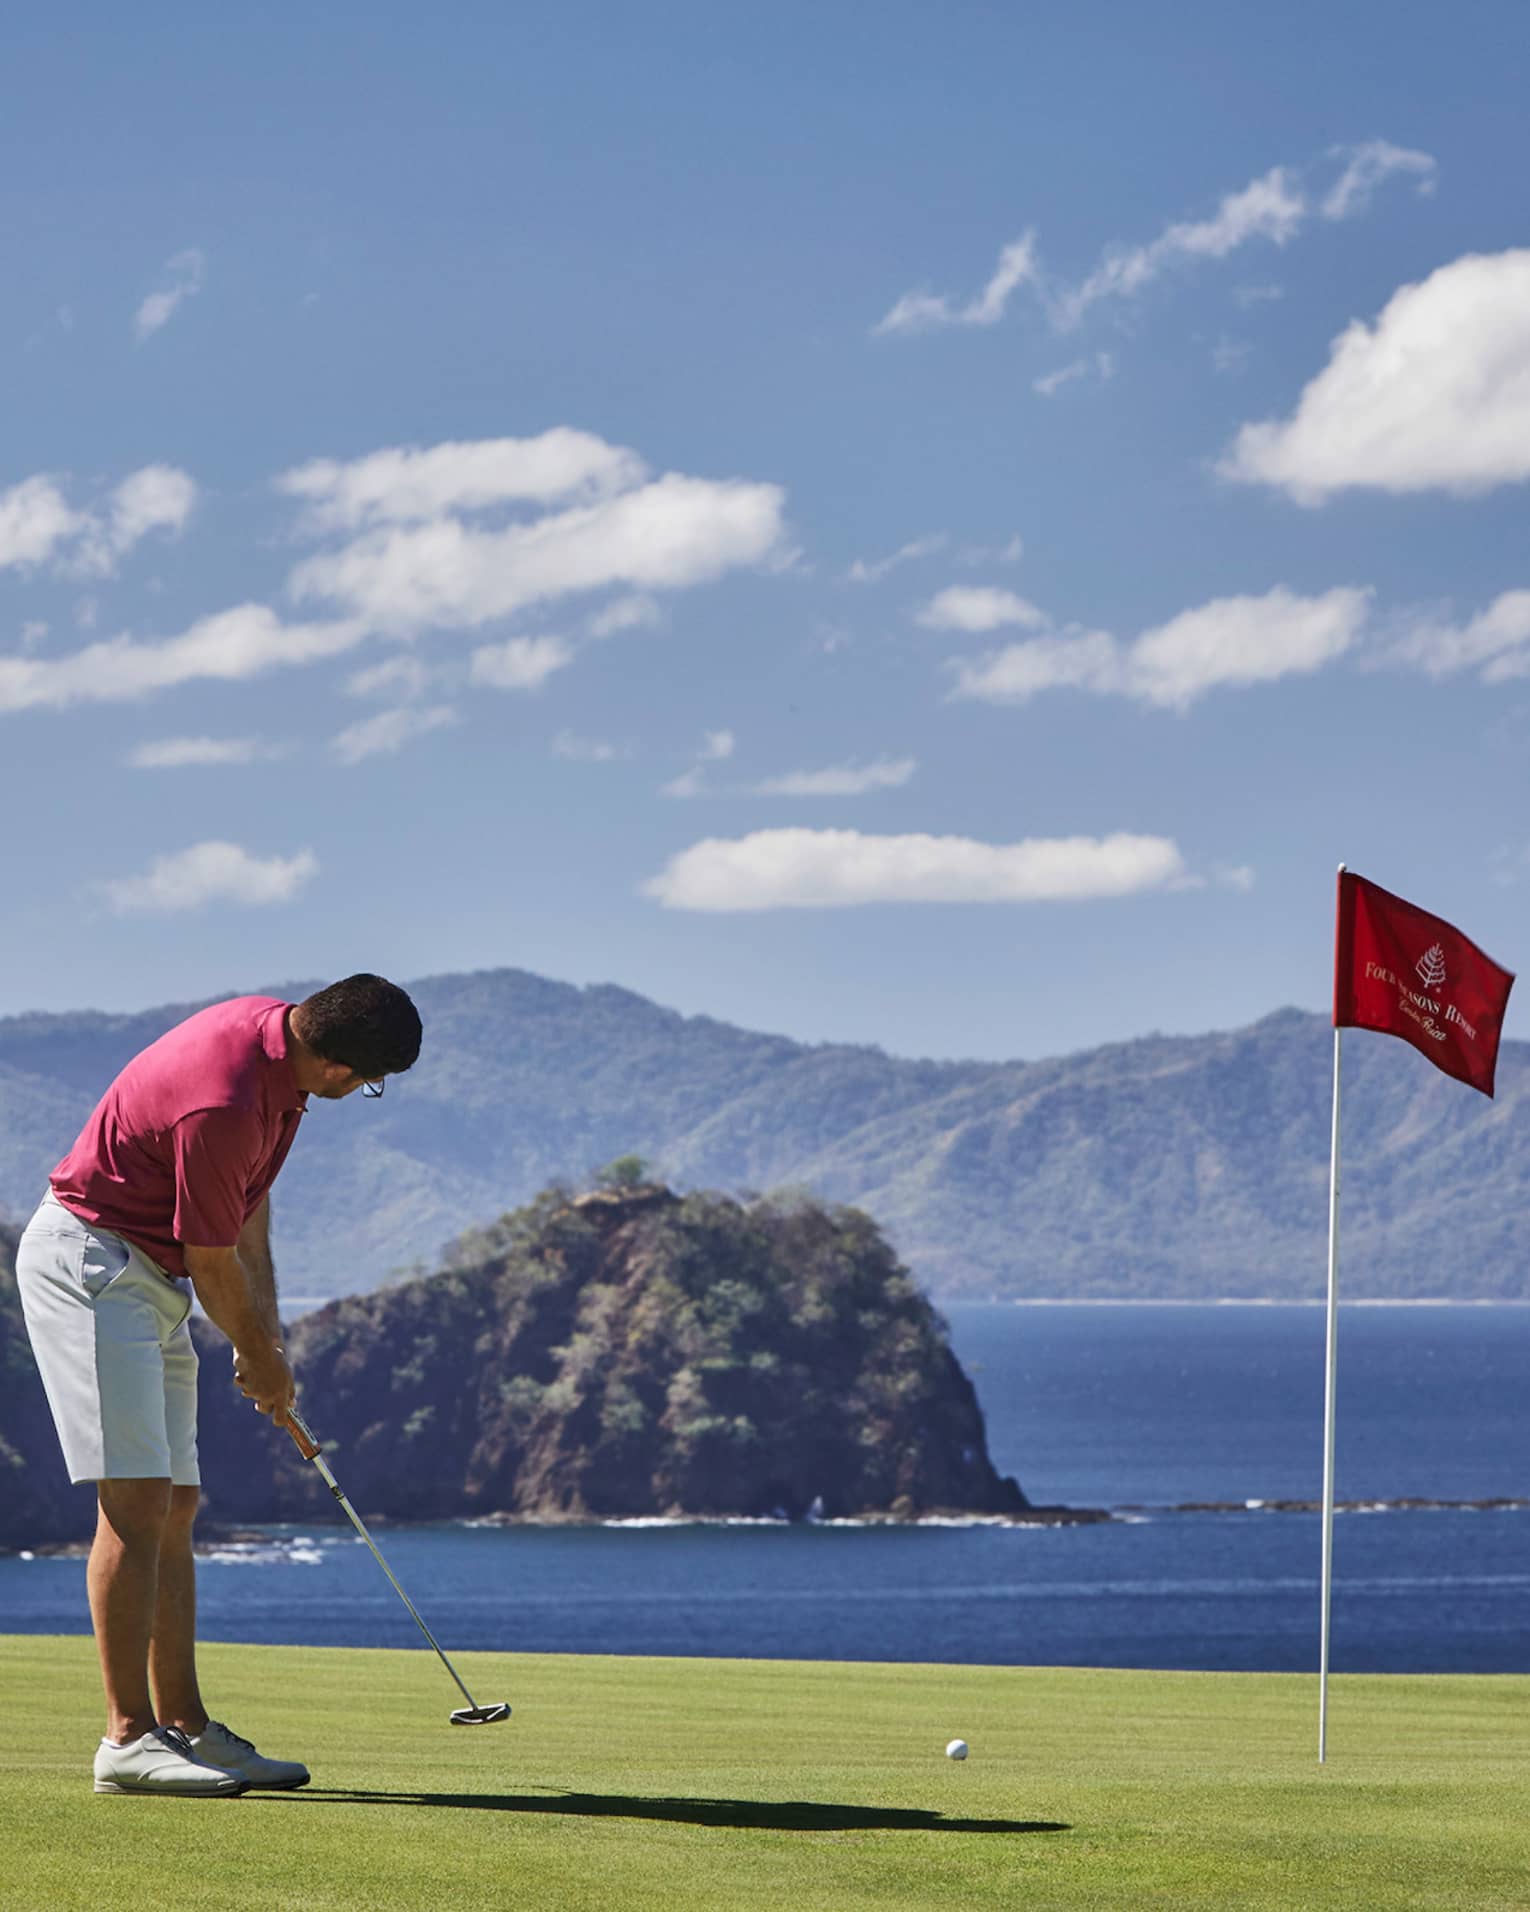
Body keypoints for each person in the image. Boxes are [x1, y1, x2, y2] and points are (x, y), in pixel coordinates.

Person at [14, 974, 422, 1797]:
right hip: (92, 1267)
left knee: (176, 1502)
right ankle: (128, 1741)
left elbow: (243, 1216)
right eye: (371, 1081)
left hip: (149, 1280)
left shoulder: (279, 1060)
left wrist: (261, 1343)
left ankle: (187, 1728)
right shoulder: (227, 1096)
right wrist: (263, 1360)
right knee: (132, 1499)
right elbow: (210, 1259)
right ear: (344, 1067)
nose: (359, 1091)